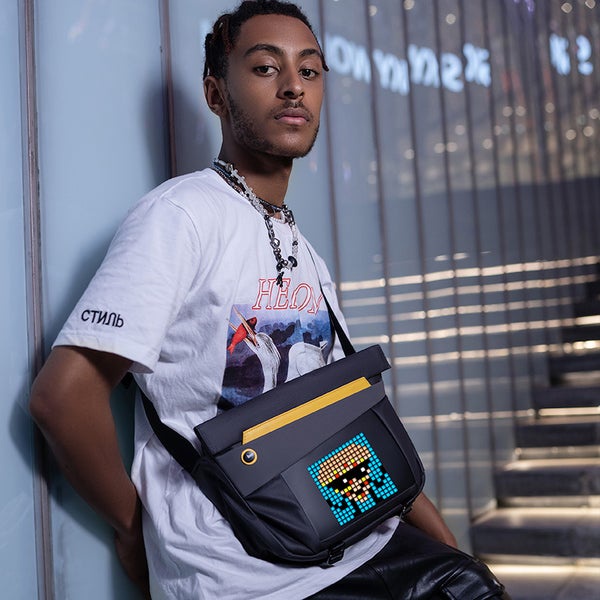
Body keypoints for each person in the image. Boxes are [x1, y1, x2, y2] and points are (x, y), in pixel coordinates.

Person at [29, 1, 509, 598]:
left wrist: (443, 541)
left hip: (352, 534)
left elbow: (344, 409)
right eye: (264, 68)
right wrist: (133, 530)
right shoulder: (181, 216)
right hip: (246, 573)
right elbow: (62, 398)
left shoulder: (300, 245)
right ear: (216, 93)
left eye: (309, 71)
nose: (293, 88)